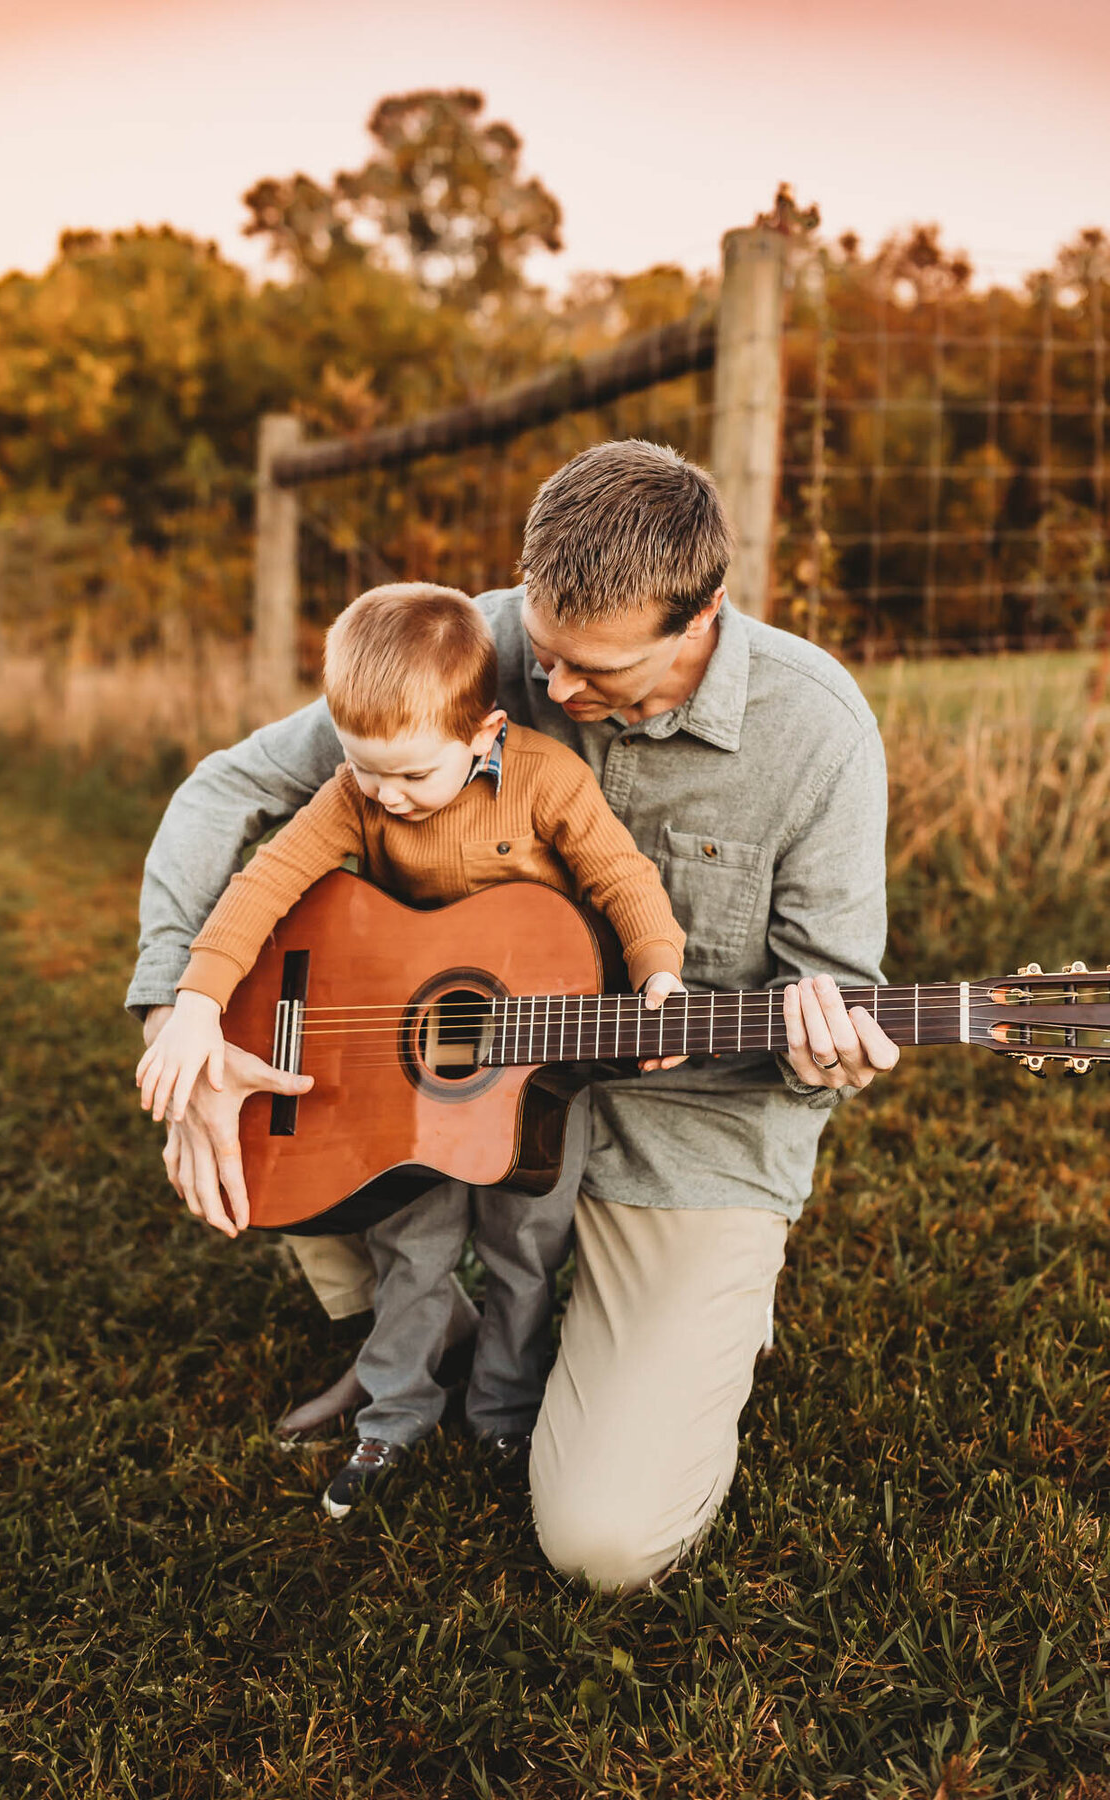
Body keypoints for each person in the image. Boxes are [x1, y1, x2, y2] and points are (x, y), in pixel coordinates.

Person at [128, 439, 899, 1590]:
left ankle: (640, 1323)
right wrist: (168, 1017)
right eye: (545, 658)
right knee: (270, 1073)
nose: (559, 694)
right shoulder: (475, 641)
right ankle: (418, 1322)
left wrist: (829, 1050)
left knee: (602, 1543)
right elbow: (229, 788)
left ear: (703, 618)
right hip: (449, 1076)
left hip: (690, 1131)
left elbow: (830, 986)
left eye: (597, 675)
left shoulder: (819, 732)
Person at [134, 581, 687, 1518]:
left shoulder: (550, 778)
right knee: (412, 1255)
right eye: (364, 769)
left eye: (411, 777)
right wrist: (192, 1002)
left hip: (537, 1068)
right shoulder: (357, 795)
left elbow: (623, 877)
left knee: (526, 1251)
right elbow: (265, 882)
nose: (386, 796)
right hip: (402, 1081)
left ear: (485, 733)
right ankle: (391, 1419)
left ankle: (505, 1410)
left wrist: (662, 975)